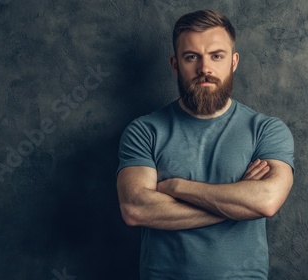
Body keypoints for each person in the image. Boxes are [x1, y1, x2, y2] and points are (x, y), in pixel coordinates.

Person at [116, 9, 294, 280]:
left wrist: (176, 187)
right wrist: (239, 202)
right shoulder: (144, 131)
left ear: (234, 61)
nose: (205, 69)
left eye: (216, 56)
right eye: (192, 57)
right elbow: (135, 208)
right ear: (176, 65)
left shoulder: (266, 130)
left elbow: (267, 201)